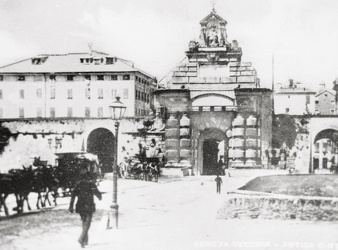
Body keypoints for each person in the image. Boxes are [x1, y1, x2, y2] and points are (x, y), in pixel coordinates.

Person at [69, 172, 102, 248]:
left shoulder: (78, 184)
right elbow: (97, 193)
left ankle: (85, 241)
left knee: (84, 222)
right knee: (87, 223)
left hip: (80, 206)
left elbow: (73, 195)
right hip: (89, 206)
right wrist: (100, 197)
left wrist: (71, 206)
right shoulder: (91, 184)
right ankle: (81, 239)